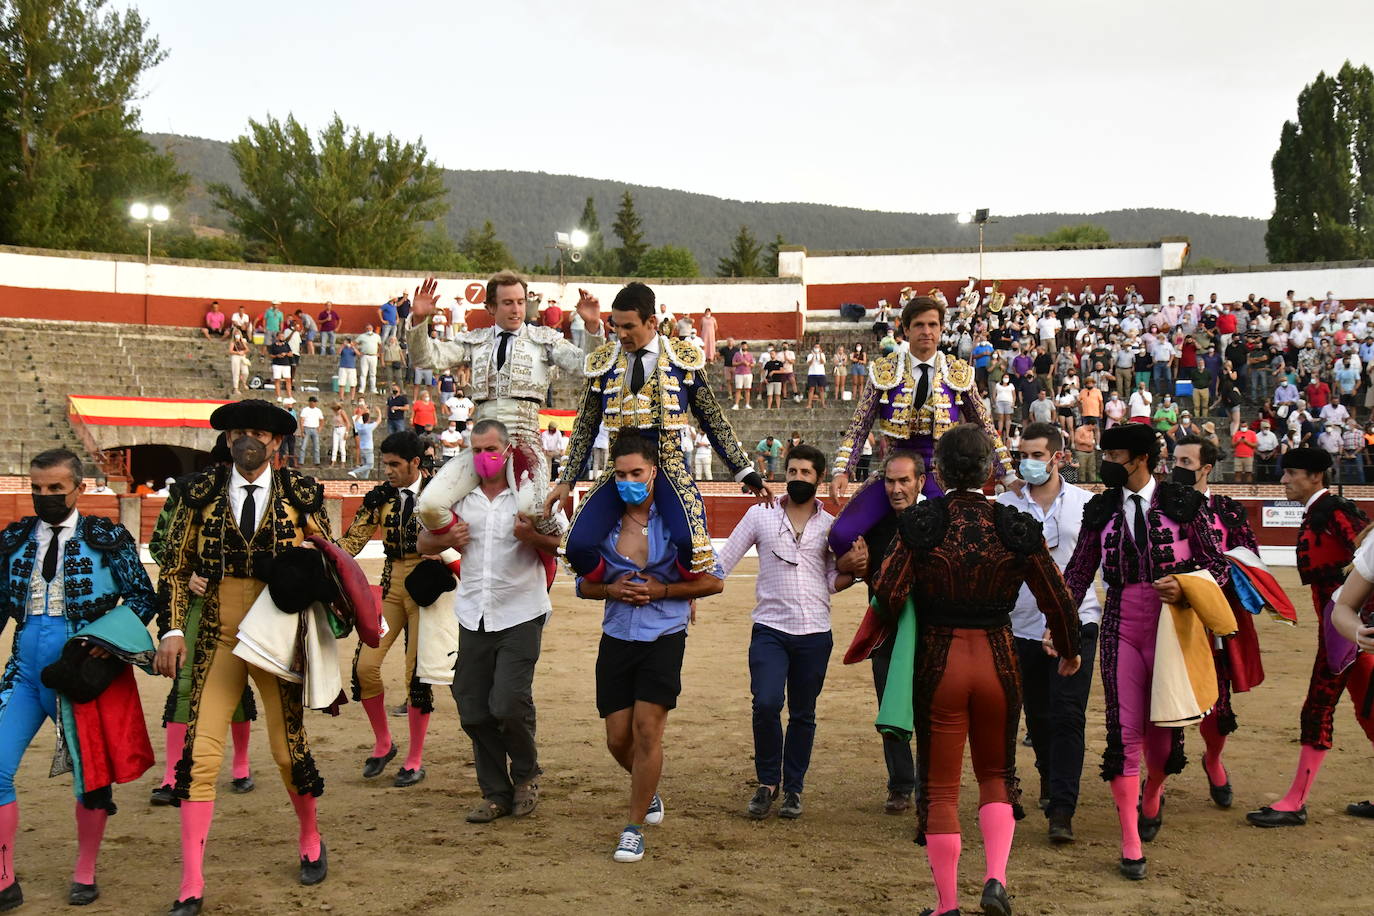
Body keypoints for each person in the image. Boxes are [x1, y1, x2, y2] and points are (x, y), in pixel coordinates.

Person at [854, 424, 1080, 916]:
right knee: (997, 772)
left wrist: (899, 621)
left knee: (939, 785)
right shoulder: (1015, 525)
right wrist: (1068, 647)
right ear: (990, 470)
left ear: (937, 472)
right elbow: (1057, 598)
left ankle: (947, 903)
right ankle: (995, 877)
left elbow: (888, 593)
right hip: (999, 658)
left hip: (941, 662)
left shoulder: (922, 523)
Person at [154, 400, 333, 915]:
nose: (246, 441)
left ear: (276, 443)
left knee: (284, 750)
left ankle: (310, 836)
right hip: (218, 638)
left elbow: (332, 557)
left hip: (277, 638)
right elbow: (173, 568)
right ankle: (191, 880)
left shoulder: (301, 495)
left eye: (257, 432)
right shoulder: (199, 493)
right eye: (238, 432)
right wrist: (171, 628)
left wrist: (304, 573)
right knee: (200, 753)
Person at [1061, 422, 1231, 880]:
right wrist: (1059, 626)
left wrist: (1185, 583)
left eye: (1114, 456)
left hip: (1171, 629)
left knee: (1162, 732)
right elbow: (1077, 575)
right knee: (1123, 731)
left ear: (1139, 460)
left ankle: (1153, 791)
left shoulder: (1183, 503)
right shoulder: (1100, 509)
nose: (1106, 463)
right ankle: (1130, 841)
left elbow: (1219, 567)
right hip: (1120, 625)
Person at [0, 449, 158, 910]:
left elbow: (142, 597)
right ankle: (4, 877)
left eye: (55, 489)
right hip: (24, 671)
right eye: (37, 488)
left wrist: (105, 642)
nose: (45, 497)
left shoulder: (106, 537)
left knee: (92, 780)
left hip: (82, 668)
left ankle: (85, 871)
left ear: (79, 488)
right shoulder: (12, 540)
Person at [546, 282, 768, 577]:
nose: (621, 334)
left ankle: (669, 592)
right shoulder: (605, 362)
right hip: (619, 469)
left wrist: (744, 470)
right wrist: (567, 479)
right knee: (575, 547)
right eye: (616, 326)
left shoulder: (682, 359)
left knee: (694, 548)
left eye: (629, 326)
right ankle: (616, 585)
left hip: (669, 465)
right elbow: (585, 425)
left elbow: (712, 418)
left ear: (652, 322)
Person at [573, 433, 724, 862]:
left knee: (646, 730)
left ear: (653, 471)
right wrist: (610, 589)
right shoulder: (602, 523)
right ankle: (649, 789)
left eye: (636, 473)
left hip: (663, 633)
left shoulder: (677, 522)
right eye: (620, 475)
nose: (628, 482)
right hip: (617, 633)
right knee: (617, 739)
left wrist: (663, 590)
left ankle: (633, 826)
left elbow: (713, 581)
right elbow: (583, 586)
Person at [414, 419, 564, 822]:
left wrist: (531, 538)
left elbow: (564, 543)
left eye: (490, 449)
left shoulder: (529, 496)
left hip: (521, 612)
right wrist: (445, 540)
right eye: (476, 450)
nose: (484, 457)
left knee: (509, 702)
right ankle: (496, 791)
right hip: (473, 613)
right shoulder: (460, 499)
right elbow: (422, 542)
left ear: (508, 448)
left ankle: (528, 773)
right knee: (473, 707)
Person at [405, 271, 604, 545]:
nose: (516, 309)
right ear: (491, 307)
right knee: (429, 506)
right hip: (483, 442)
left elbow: (587, 366)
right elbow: (427, 357)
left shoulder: (543, 339)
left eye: (521, 302)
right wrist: (418, 321)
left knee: (533, 510)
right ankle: (468, 548)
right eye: (508, 302)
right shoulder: (474, 341)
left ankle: (560, 546)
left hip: (523, 439)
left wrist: (593, 328)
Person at [718, 445, 855, 820]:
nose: (797, 478)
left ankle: (793, 788)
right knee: (765, 703)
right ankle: (767, 782)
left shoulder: (832, 527)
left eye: (805, 473)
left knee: (803, 713)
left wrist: (855, 571)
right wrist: (691, 593)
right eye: (792, 471)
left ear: (820, 479)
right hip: (770, 629)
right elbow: (723, 560)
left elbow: (830, 580)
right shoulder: (759, 514)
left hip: (814, 631)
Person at [828, 297, 1015, 558]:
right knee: (841, 535)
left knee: (961, 546)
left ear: (940, 329)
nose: (926, 331)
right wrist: (842, 470)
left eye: (932, 324)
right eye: (919, 325)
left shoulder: (958, 372)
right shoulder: (884, 370)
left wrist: (1008, 474)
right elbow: (859, 426)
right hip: (894, 470)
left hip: (942, 473)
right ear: (906, 329)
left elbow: (985, 426)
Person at [1246, 448, 1374, 829]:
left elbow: (1366, 554)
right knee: (1370, 711)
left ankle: (1294, 802)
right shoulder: (1323, 510)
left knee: (1317, 708)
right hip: (1345, 629)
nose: (1284, 480)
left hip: (1344, 631)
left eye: (1292, 474)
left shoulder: (1333, 510)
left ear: (1315, 476)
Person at [996, 423, 1101, 844]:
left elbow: (1100, 567)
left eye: (1038, 455)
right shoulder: (1003, 504)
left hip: (1077, 622)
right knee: (1036, 716)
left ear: (1059, 457)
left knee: (1069, 716)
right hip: (1021, 625)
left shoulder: (1087, 505)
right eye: (1024, 454)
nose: (1029, 462)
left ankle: (1062, 809)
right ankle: (1046, 778)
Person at [338, 432, 454, 788]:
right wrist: (323, 557)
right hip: (391, 587)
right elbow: (351, 542)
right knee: (365, 667)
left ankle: (415, 757)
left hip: (429, 589)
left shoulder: (443, 495)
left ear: (415, 463)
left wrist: (446, 552)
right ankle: (384, 742)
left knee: (417, 674)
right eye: (385, 464)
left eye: (394, 465)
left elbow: (466, 535)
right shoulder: (380, 497)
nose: (387, 471)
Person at [1171, 435, 1278, 811]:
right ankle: (1157, 779)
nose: (1177, 468)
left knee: (1217, 708)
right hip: (1171, 618)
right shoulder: (1159, 507)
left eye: (1186, 462)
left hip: (1214, 619)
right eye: (1175, 460)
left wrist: (1217, 570)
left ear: (1206, 468)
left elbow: (1250, 558)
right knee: (1166, 701)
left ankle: (1212, 759)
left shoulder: (1228, 510)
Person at [835, 451, 923, 813]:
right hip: (887, 628)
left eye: (904, 481)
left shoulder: (938, 522)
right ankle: (901, 784)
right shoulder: (872, 528)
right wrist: (850, 564)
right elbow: (847, 564)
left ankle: (930, 785)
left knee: (932, 711)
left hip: (931, 630)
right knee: (890, 705)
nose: (896, 489)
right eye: (890, 481)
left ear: (921, 482)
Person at [349, 412, 380, 478]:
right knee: (370, 465)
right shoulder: (369, 427)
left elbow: (356, 420)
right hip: (368, 448)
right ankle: (354, 471)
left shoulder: (359, 426)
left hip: (362, 448)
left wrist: (360, 412)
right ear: (368, 419)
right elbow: (379, 420)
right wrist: (379, 412)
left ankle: (364, 479)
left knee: (366, 467)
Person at [356, 324, 382, 395]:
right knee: (363, 373)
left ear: (372, 329)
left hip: (373, 356)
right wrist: (358, 352)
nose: (369, 329)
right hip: (364, 356)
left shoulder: (377, 336)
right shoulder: (362, 336)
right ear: (365, 329)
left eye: (370, 328)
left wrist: (379, 353)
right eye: (367, 328)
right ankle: (362, 389)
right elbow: (354, 344)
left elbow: (380, 346)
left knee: (373, 373)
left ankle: (373, 389)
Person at [297, 396, 323, 466]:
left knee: (316, 446)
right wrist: (302, 430)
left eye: (315, 402)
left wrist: (320, 428)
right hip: (307, 428)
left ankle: (317, 461)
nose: (314, 403)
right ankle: (301, 461)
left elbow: (321, 420)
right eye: (313, 402)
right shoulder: (305, 410)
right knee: (303, 446)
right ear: (310, 402)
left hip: (315, 429)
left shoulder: (318, 410)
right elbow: (301, 420)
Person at [268, 330, 293, 400]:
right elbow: (270, 355)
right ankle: (278, 396)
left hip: (286, 364)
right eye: (281, 336)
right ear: (277, 337)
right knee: (277, 380)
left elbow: (291, 354)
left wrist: (285, 354)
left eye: (283, 336)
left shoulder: (286, 345)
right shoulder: (273, 346)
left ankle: (290, 396)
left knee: (288, 380)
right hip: (277, 364)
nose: (282, 337)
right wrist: (277, 356)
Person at [732, 343, 755, 409]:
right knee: (738, 389)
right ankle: (736, 404)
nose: (744, 347)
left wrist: (749, 364)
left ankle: (747, 404)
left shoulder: (750, 355)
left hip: (748, 374)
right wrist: (741, 363)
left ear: (747, 346)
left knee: (747, 389)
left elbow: (753, 364)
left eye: (745, 346)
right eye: (743, 346)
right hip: (739, 374)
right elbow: (733, 363)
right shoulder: (737, 354)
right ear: (741, 346)